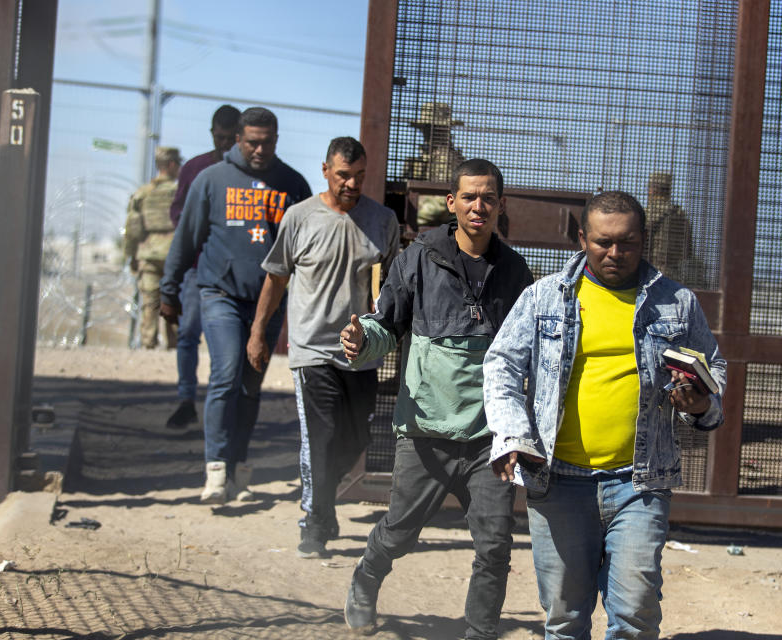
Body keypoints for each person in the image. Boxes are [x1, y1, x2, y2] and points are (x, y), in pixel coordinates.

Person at [483, 190, 727, 640]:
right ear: (582, 239)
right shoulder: (544, 298)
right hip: (558, 481)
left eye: (628, 242)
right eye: (602, 242)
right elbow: (502, 365)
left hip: (639, 482)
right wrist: (512, 434)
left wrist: (702, 402)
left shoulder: (677, 303)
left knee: (635, 615)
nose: (615, 253)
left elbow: (715, 369)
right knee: (564, 618)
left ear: (645, 239)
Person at [339, 159, 533, 639]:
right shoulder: (418, 259)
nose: (478, 206)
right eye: (469, 197)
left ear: (500, 204)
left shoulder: (514, 271)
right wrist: (363, 340)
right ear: (452, 202)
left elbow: (528, 349)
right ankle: (366, 575)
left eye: (488, 197)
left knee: (494, 547)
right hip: (427, 432)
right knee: (400, 532)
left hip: (488, 437)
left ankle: (480, 632)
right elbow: (387, 325)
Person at [246, 136, 399, 558]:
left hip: (360, 353)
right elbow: (276, 278)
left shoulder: (381, 221)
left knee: (353, 439)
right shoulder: (300, 218)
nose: (351, 184)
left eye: (359, 176)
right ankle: (314, 522)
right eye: (343, 175)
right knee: (321, 436)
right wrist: (259, 331)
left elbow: (388, 287)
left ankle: (324, 503)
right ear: (326, 171)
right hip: (313, 349)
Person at [160, 107, 311, 505]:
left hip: (268, 303)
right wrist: (168, 290)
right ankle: (215, 470)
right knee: (225, 375)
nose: (260, 150)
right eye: (252, 142)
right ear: (238, 141)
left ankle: (240, 471)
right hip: (219, 294)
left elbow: (306, 248)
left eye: (268, 142)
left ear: (276, 140)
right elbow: (186, 239)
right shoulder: (212, 180)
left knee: (249, 387)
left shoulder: (292, 184)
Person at [164, 105, 241, 432]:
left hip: (235, 272)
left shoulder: (248, 173)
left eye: (229, 138)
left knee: (227, 343)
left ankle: (222, 407)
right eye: (218, 137)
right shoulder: (194, 169)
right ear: (212, 133)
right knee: (187, 334)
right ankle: (186, 399)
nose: (223, 144)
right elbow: (178, 215)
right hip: (198, 267)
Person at [124, 146, 181, 349]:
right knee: (173, 300)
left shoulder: (143, 193)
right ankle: (174, 345)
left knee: (150, 301)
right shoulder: (180, 192)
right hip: (174, 253)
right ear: (172, 165)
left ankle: (148, 343)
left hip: (148, 253)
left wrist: (131, 255)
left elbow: (132, 227)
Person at [645, 171, 703, 286]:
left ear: (652, 190)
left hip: (649, 273)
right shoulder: (680, 215)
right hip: (673, 276)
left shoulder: (647, 213)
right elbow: (688, 251)